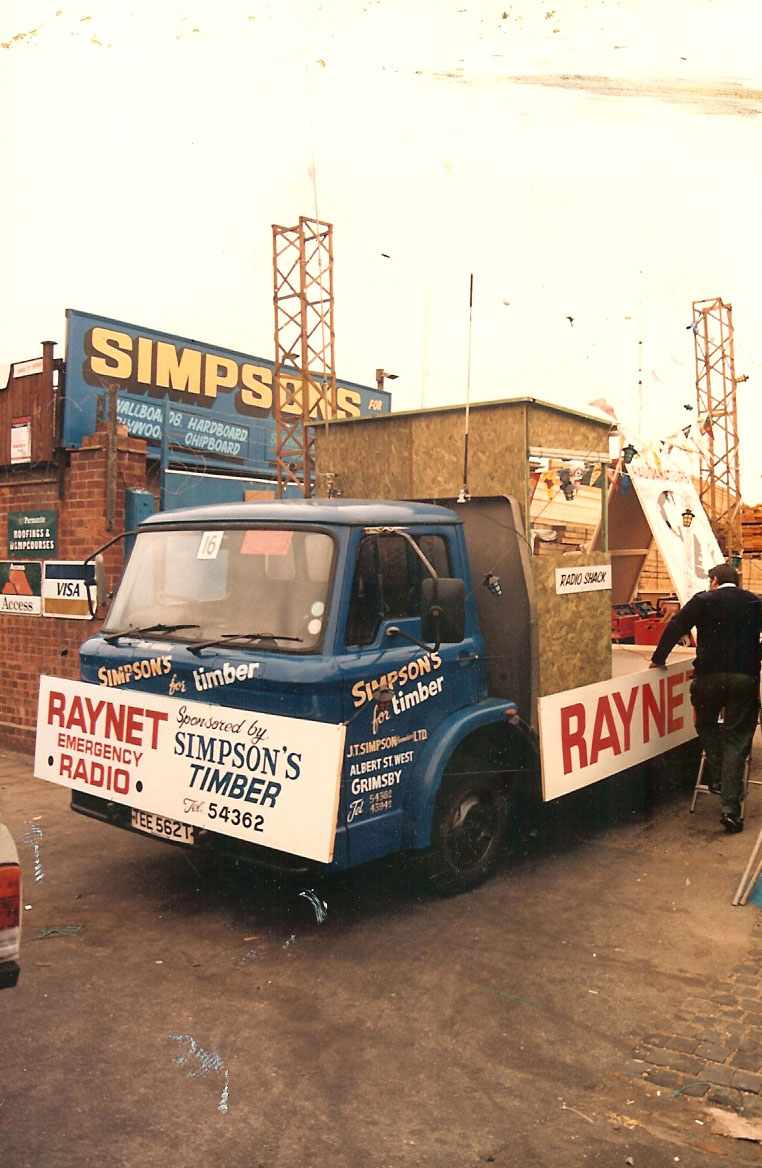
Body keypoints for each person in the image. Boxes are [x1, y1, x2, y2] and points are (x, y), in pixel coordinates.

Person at [650, 563, 762, 833]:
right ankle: (730, 809)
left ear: (714, 581)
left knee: (705, 723)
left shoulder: (703, 600)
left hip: (708, 678)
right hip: (744, 679)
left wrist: (659, 658)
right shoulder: (755, 602)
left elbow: (676, 626)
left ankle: (718, 773)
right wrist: (756, 654)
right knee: (737, 739)